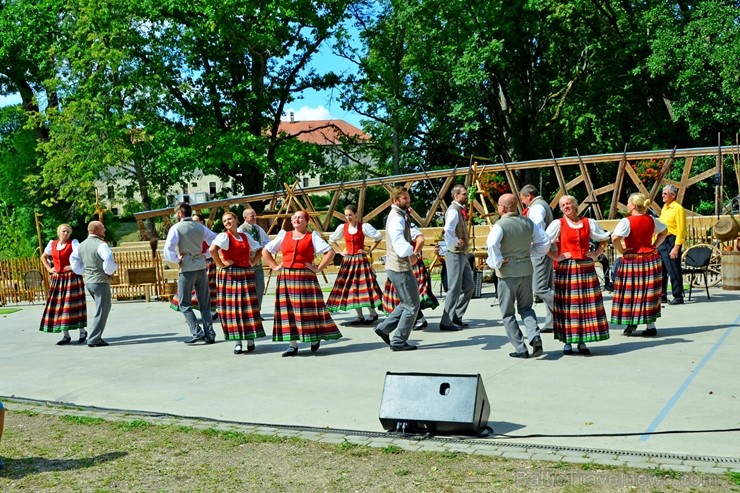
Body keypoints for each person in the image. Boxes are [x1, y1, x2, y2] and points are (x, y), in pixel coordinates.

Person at [262, 210, 342, 356]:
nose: (296, 219)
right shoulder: (283, 235)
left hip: (305, 278)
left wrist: (317, 268)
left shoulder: (312, 236)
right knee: (288, 311)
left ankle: (313, 338)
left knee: (308, 309)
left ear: (307, 221)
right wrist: (274, 266)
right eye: (294, 217)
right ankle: (292, 345)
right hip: (286, 277)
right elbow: (265, 251)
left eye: (300, 218)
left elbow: (330, 253)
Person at [486, 194, 550, 358]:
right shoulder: (528, 222)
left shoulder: (500, 224)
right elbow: (544, 241)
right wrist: (532, 252)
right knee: (526, 308)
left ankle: (520, 348)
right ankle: (535, 335)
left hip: (508, 273)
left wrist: (497, 262)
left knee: (508, 313)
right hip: (526, 270)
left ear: (504, 208)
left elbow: (492, 244)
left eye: (499, 205)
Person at [545, 196, 611, 355]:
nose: (566, 207)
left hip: (586, 268)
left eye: (568, 203)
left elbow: (605, 238)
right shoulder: (558, 224)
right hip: (567, 269)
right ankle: (568, 341)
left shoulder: (589, 222)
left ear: (575, 205)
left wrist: (595, 254)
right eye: (562, 205)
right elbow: (543, 242)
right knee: (569, 305)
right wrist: (556, 256)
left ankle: (582, 341)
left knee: (586, 306)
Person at [611, 193, 668, 337]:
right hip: (650, 259)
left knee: (631, 292)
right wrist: (654, 245)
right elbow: (665, 231)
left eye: (628, 203)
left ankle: (632, 322)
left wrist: (622, 251)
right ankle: (650, 326)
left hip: (633, 259)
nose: (627, 205)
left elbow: (615, 238)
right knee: (648, 292)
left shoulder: (626, 221)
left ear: (634, 206)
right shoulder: (651, 219)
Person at [209, 211, 265, 354]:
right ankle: (237, 341)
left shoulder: (245, 236)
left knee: (248, 307)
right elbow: (212, 250)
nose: (227, 222)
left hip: (246, 273)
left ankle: (251, 338)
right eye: (224, 221)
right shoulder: (224, 237)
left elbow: (260, 249)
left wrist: (253, 262)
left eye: (229, 219)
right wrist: (221, 264)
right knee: (234, 309)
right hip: (231, 275)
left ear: (236, 219)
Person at [373, 186, 421, 351]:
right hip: (399, 267)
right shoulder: (396, 218)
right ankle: (399, 341)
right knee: (412, 305)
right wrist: (411, 254)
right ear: (395, 201)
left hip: (396, 266)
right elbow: (399, 241)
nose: (408, 201)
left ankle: (384, 328)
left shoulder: (400, 215)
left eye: (408, 197)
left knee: (407, 303)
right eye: (404, 199)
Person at [163, 202, 217, 344]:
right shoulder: (200, 226)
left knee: (184, 303)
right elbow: (215, 240)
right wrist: (206, 254)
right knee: (205, 303)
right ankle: (210, 333)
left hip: (187, 267)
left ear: (180, 213)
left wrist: (176, 259)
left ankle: (196, 331)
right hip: (200, 266)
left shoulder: (176, 228)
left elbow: (168, 248)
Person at [326, 205, 383, 325]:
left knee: (364, 288)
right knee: (352, 289)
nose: (348, 217)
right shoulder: (343, 227)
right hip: (348, 261)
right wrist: (341, 251)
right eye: (346, 215)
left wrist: (368, 250)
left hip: (360, 260)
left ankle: (373, 314)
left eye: (350, 215)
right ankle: (360, 316)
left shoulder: (363, 227)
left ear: (356, 214)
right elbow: (332, 240)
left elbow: (378, 237)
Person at [70, 221, 118, 347]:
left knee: (101, 309)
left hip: (89, 281)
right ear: (96, 230)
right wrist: (109, 271)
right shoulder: (101, 245)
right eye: (102, 228)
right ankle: (94, 339)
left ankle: (95, 337)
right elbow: (108, 258)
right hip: (100, 281)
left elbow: (74, 259)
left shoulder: (81, 245)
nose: (105, 230)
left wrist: (82, 270)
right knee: (102, 310)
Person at [382, 223, 439, 329]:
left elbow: (420, 240)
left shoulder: (407, 227)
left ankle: (420, 320)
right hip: (399, 265)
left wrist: (415, 253)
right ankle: (415, 319)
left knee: (408, 295)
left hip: (411, 265)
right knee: (405, 295)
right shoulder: (400, 227)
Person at [39, 224, 88, 345]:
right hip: (58, 279)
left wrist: (73, 266)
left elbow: (83, 256)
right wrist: (49, 269)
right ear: (58, 232)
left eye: (67, 232)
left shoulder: (74, 243)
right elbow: (43, 257)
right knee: (60, 306)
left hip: (72, 278)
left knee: (74, 305)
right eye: (63, 231)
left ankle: (82, 331)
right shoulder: (53, 244)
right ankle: (66, 335)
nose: (65, 234)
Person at [520, 184, 555, 333]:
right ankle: (552, 322)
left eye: (522, 199)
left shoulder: (536, 208)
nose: (522, 202)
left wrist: (530, 243)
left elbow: (536, 228)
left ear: (528, 196)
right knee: (547, 286)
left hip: (539, 251)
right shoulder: (543, 204)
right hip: (546, 249)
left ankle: (564, 310)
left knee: (539, 287)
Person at [439, 184, 475, 331]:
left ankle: (456, 315)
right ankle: (446, 321)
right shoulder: (453, 211)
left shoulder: (458, 210)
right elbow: (447, 229)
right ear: (456, 196)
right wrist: (454, 241)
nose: (466, 196)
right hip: (454, 253)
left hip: (461, 254)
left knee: (470, 286)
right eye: (464, 194)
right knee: (454, 288)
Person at [169, 213, 218, 320]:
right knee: (190, 287)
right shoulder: (190, 232)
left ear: (202, 222)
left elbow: (216, 243)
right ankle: (194, 308)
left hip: (207, 262)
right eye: (193, 220)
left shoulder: (205, 232)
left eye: (196, 221)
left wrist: (206, 255)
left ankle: (211, 310)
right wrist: (178, 258)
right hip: (193, 262)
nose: (194, 223)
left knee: (209, 287)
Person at [238, 208, 271, 312]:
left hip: (258, 264)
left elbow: (266, 241)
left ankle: (257, 312)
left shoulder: (258, 228)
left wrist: (263, 249)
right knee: (247, 291)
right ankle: (248, 313)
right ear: (245, 217)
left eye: (255, 215)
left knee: (260, 289)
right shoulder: (241, 230)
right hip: (247, 265)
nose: (254, 218)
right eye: (252, 216)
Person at [658, 185, 686, 305]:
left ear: (673, 195)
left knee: (673, 269)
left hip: (671, 240)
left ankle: (678, 296)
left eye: (665, 193)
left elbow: (681, 229)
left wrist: (677, 246)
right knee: (661, 271)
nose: (663, 195)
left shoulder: (678, 208)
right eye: (663, 193)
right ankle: (662, 295)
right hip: (662, 241)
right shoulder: (665, 208)